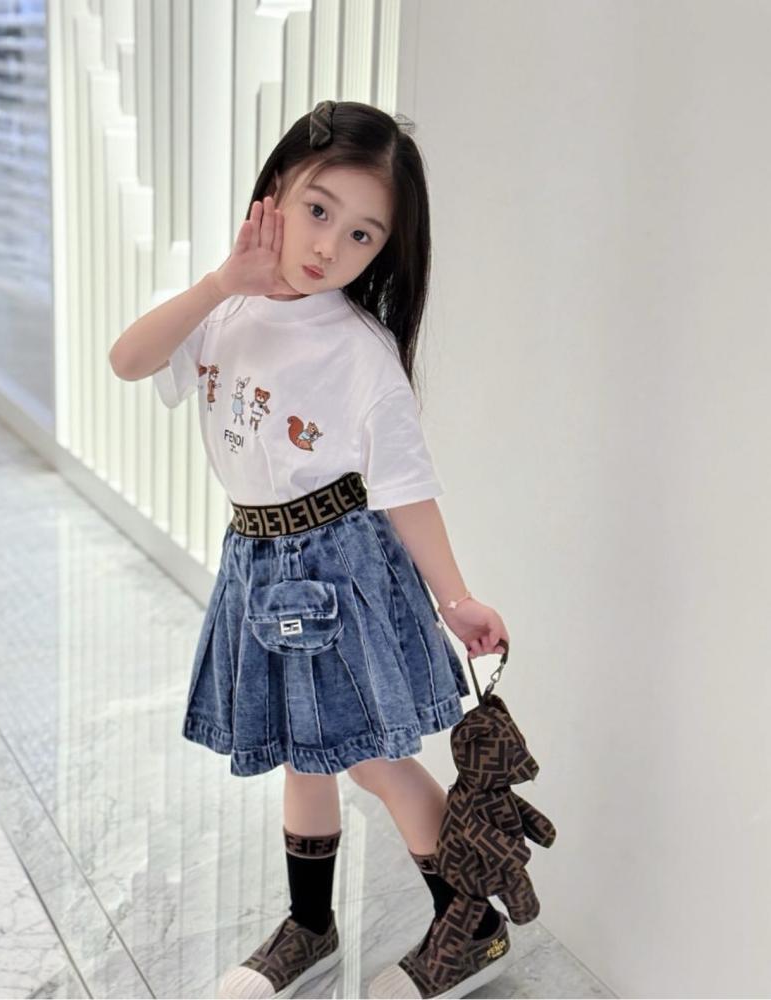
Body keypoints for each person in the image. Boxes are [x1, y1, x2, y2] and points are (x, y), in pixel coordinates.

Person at [109, 100, 511, 1000]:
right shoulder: (222, 308)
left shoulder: (359, 351)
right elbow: (129, 360)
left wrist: (457, 599)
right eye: (319, 209)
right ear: (276, 191)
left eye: (363, 234)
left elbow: (406, 487)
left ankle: (472, 926)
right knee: (304, 751)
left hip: (337, 565)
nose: (331, 246)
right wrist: (223, 282)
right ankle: (310, 927)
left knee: (372, 759)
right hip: (256, 561)